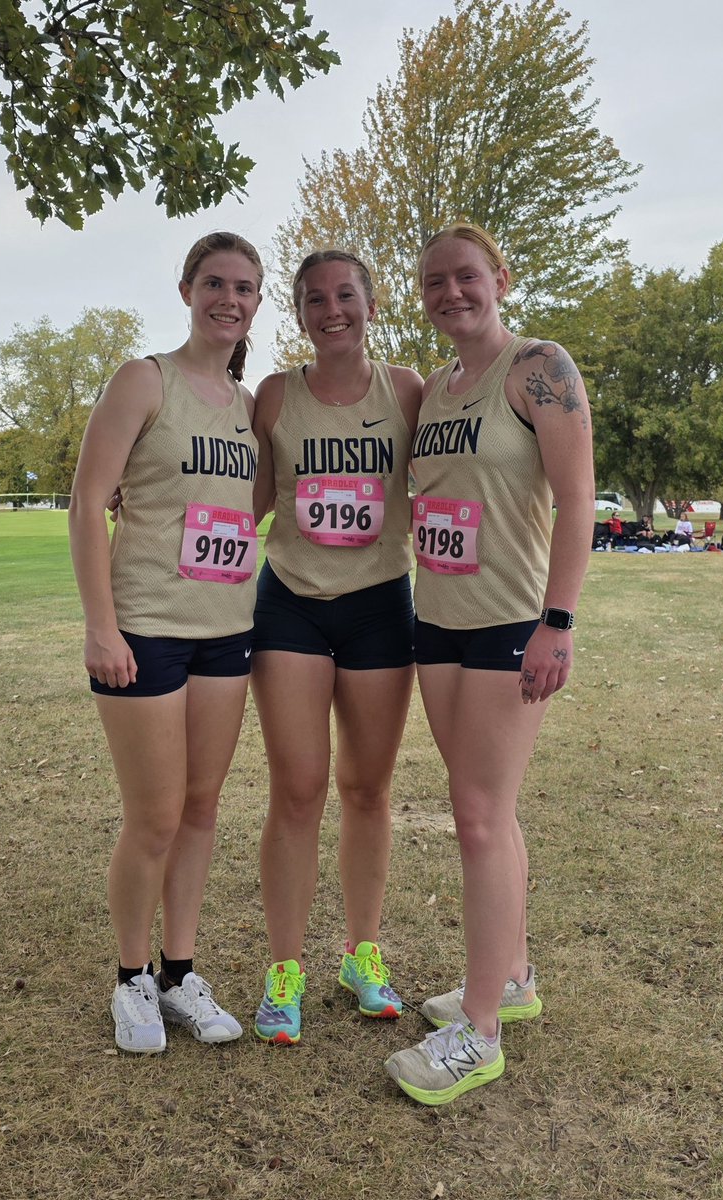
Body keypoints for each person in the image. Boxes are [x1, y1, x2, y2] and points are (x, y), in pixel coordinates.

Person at [383, 223, 594, 1105]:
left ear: (499, 278)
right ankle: (509, 976)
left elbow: (577, 493)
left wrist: (559, 621)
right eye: (433, 281)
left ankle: (478, 1031)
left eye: (465, 276)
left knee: (476, 816)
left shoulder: (539, 366)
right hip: (437, 619)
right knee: (485, 812)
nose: (449, 292)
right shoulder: (436, 388)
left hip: (512, 622)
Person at [68, 232, 263, 1053]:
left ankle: (181, 973)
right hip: (143, 633)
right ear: (186, 289)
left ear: (258, 302)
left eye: (245, 287)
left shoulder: (253, 407)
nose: (229, 297)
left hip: (226, 633)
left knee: (200, 809)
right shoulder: (143, 379)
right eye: (214, 282)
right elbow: (85, 503)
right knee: (152, 817)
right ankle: (131, 979)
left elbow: (250, 509)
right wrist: (100, 625)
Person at [250, 249, 423, 1045]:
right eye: (314, 298)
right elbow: (245, 494)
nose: (332, 309)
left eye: (345, 295)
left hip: (380, 607)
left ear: (370, 303)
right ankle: (284, 969)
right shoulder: (277, 394)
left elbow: (454, 471)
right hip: (291, 605)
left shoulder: (407, 389)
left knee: (366, 789)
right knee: (297, 789)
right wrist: (145, 490)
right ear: (299, 313)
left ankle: (362, 954)